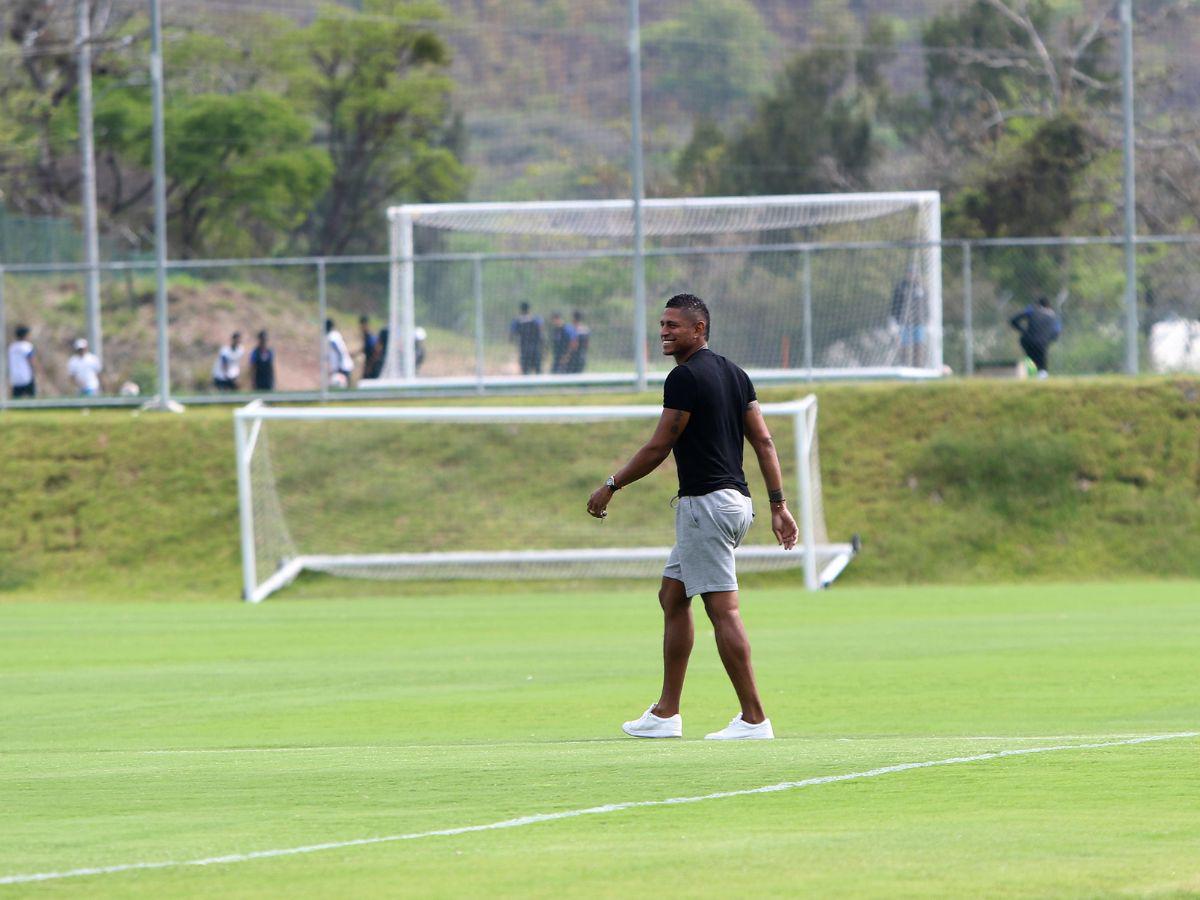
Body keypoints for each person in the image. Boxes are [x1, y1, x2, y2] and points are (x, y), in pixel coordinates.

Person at [587, 293, 798, 741]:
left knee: (723, 611)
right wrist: (777, 506)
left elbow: (658, 446)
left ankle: (755, 719)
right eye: (662, 325)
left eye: (673, 326)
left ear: (699, 329)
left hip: (705, 506)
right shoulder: (736, 374)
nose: (664, 332)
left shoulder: (683, 378)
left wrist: (611, 485)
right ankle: (665, 713)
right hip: (735, 505)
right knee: (672, 595)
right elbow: (763, 441)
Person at [1010, 296, 1061, 379]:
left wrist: (1023, 330)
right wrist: (1049, 339)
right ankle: (1041, 375)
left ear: (1038, 305)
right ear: (1048, 305)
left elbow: (1013, 320)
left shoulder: (1031, 311)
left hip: (1027, 340)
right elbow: (1056, 331)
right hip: (1042, 342)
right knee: (1041, 363)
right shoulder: (1052, 315)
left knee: (1031, 359)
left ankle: (1028, 371)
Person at [890, 268, 927, 368]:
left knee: (918, 346)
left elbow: (925, 305)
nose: (912, 275)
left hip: (918, 322)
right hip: (903, 323)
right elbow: (894, 305)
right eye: (910, 273)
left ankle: (918, 368)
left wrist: (928, 320)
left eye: (914, 273)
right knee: (904, 346)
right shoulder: (900, 287)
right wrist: (893, 321)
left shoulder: (921, 288)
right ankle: (904, 366)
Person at [510, 302, 544, 375]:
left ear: (520, 310)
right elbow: (541, 332)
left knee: (525, 370)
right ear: (529, 309)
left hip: (524, 349)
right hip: (535, 348)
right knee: (538, 370)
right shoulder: (536, 319)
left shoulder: (517, 321)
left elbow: (512, 335)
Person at [7, 325, 37, 398]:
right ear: (25, 335)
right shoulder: (27, 346)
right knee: (31, 397)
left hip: (15, 377)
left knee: (16, 398)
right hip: (26, 376)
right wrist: (36, 371)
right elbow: (31, 360)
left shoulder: (12, 347)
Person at [325, 318, 354, 388]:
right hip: (344, 365)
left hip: (342, 367)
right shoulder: (336, 334)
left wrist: (339, 366)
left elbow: (338, 351)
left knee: (340, 387)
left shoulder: (331, 336)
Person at [566, 309, 591, 373]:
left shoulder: (571, 329)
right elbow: (587, 344)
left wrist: (567, 355)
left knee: (569, 376)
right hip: (583, 355)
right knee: (580, 375)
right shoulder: (586, 329)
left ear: (573, 318)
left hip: (573, 357)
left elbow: (574, 344)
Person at [359, 315, 382, 380]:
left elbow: (376, 351)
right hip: (369, 366)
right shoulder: (366, 337)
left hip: (373, 367)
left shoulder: (370, 337)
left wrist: (369, 366)